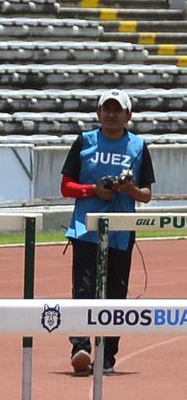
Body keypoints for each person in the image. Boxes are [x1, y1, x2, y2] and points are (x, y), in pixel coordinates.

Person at [60, 89, 154, 375]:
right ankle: (81, 347)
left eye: (117, 110)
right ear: (99, 113)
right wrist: (93, 190)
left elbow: (147, 194)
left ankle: (107, 355)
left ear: (128, 115)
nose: (111, 114)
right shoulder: (85, 142)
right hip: (86, 228)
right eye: (106, 109)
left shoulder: (137, 146)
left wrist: (130, 189)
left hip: (121, 230)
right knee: (85, 289)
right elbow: (66, 186)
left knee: (116, 292)